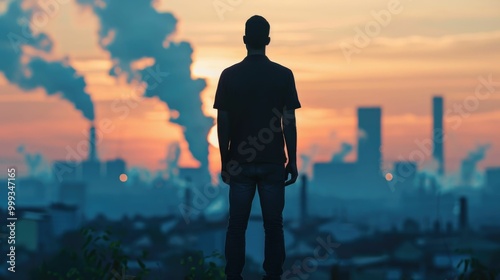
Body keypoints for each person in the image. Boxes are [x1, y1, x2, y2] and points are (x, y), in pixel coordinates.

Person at [213, 15, 301, 280]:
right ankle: (273, 275)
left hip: (239, 163)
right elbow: (289, 121)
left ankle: (233, 275)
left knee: (236, 225)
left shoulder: (229, 76)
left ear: (244, 40)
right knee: (273, 226)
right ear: (268, 41)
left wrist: (225, 159)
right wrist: (292, 160)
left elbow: (223, 120)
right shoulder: (283, 75)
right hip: (273, 161)